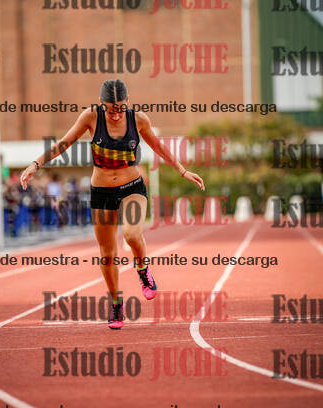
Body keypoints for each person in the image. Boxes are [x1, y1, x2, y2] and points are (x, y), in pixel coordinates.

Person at [20, 79, 204, 329]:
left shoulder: (139, 120)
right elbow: (64, 143)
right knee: (107, 254)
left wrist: (182, 170)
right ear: (101, 104)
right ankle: (116, 303)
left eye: (120, 109)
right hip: (102, 192)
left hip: (131, 187)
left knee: (131, 233)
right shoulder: (90, 117)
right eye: (110, 110)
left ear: (128, 102)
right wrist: (36, 164)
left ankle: (142, 269)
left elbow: (158, 147)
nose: (116, 115)